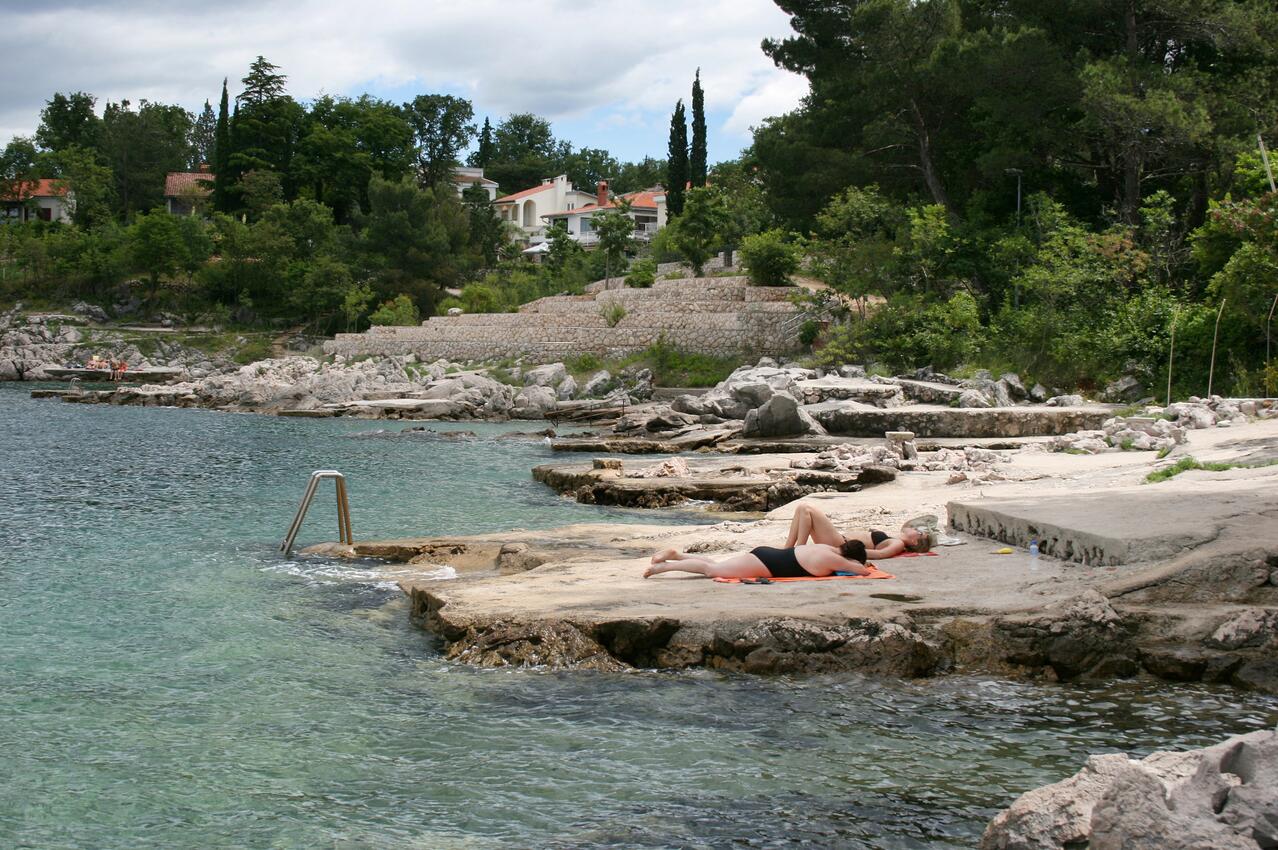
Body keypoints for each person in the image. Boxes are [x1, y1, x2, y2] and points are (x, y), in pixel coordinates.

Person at [644, 538, 868, 580]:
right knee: (711, 571)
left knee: (716, 565)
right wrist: (860, 564)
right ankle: (663, 568)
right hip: (766, 564)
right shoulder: (837, 560)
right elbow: (864, 572)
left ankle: (677, 556)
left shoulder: (826, 547)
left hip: (767, 557)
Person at [782, 502, 936, 559]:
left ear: (915, 541)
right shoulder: (896, 539)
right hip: (838, 540)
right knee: (801, 509)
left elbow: (880, 554)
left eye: (920, 532)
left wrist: (843, 551)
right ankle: (788, 549)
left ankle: (796, 551)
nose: (917, 528)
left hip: (840, 543)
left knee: (806, 508)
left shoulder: (898, 544)